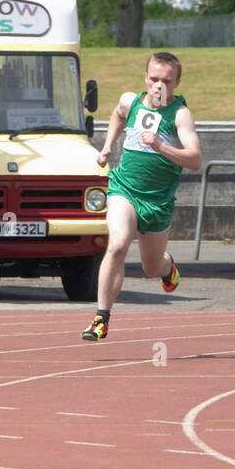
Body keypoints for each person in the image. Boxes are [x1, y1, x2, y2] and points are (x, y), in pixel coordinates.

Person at [81, 52, 201, 341]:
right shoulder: (131, 101)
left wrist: (160, 145)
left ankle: (167, 266)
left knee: (151, 267)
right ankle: (101, 318)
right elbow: (118, 114)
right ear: (146, 78)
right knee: (118, 244)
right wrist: (108, 145)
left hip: (157, 202)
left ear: (177, 83)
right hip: (124, 188)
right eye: (154, 79)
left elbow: (195, 159)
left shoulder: (180, 115)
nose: (159, 86)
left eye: (166, 81)